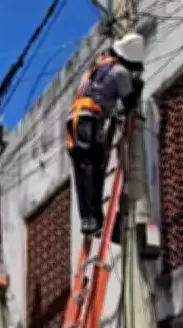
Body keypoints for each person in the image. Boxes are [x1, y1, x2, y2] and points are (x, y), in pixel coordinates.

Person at [66, 32, 145, 237]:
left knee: (83, 171)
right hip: (89, 121)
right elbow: (128, 102)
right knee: (93, 169)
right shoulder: (119, 72)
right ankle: (95, 220)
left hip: (75, 121)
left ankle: (89, 220)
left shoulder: (97, 67)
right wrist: (137, 87)